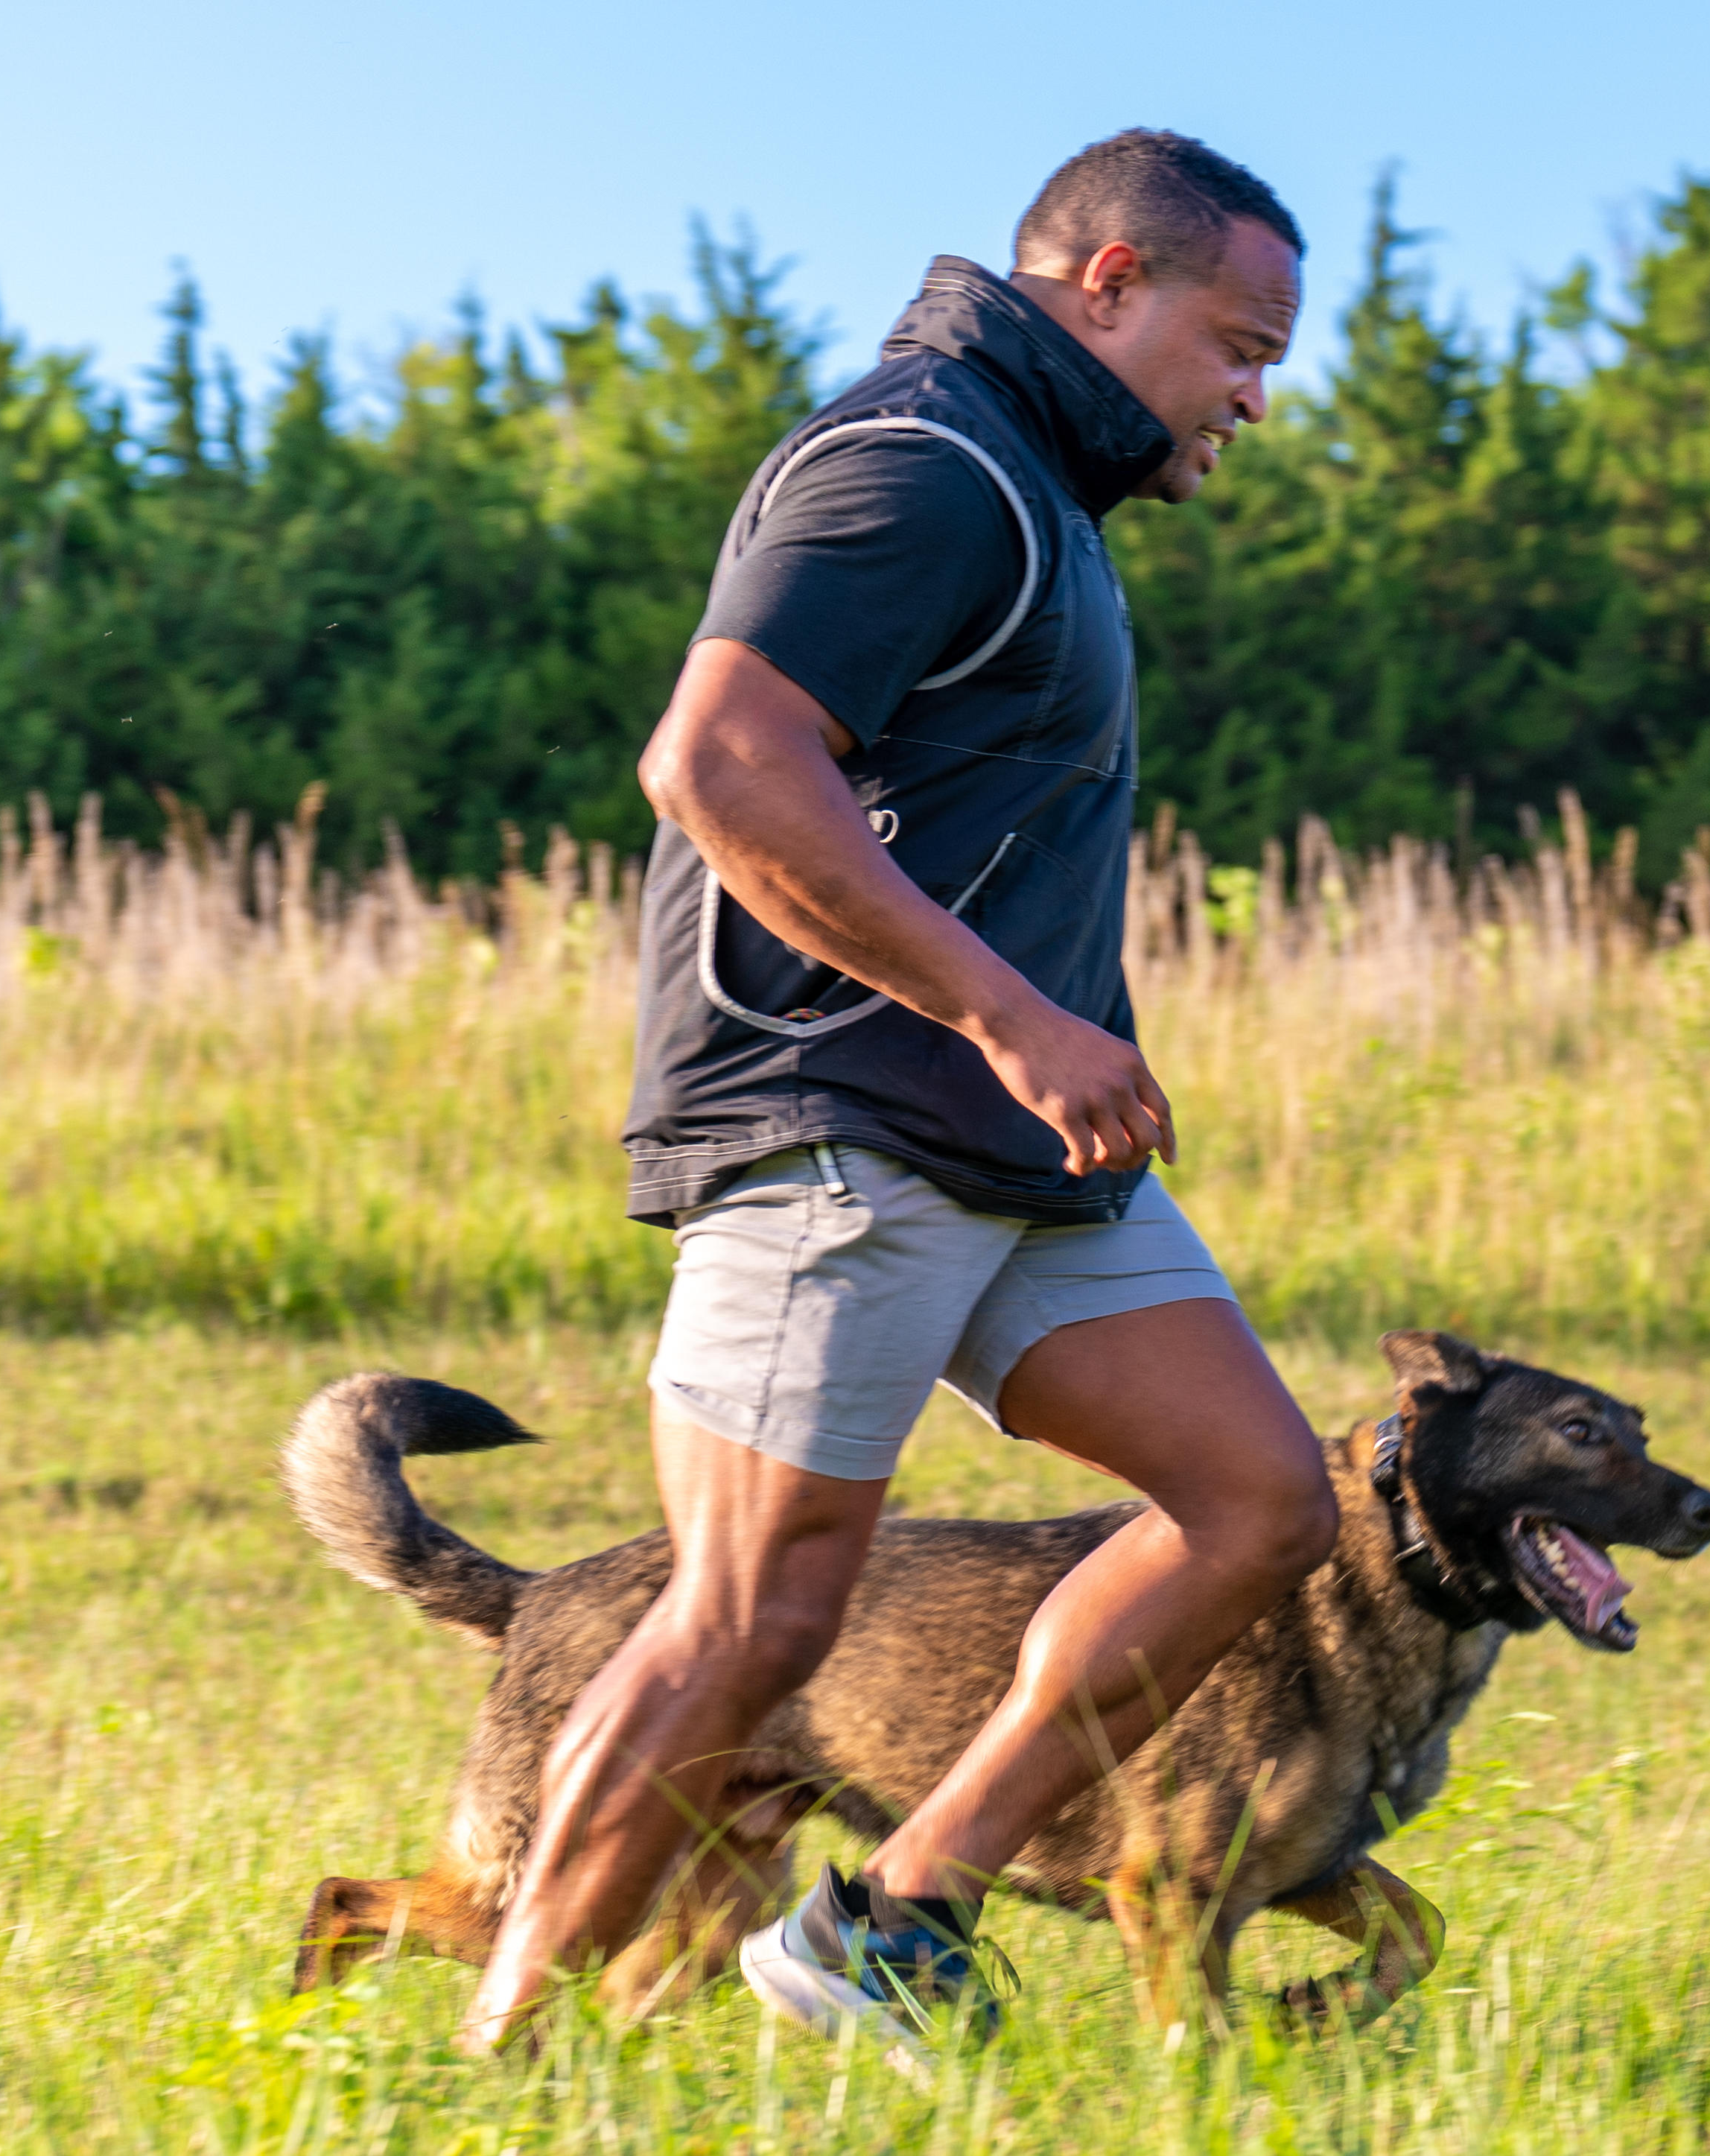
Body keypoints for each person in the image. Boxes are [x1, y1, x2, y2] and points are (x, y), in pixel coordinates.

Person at [460, 127, 1334, 2058]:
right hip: (839, 1113)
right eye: (1241, 341)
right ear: (1109, 282)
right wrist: (1019, 1018)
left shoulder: (1032, 484)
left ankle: (904, 1907)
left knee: (1261, 1498)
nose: (1257, 395)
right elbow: (720, 761)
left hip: (1013, 1149)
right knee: (751, 1622)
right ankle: (497, 2055)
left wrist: (1026, 1057)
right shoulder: (924, 462)